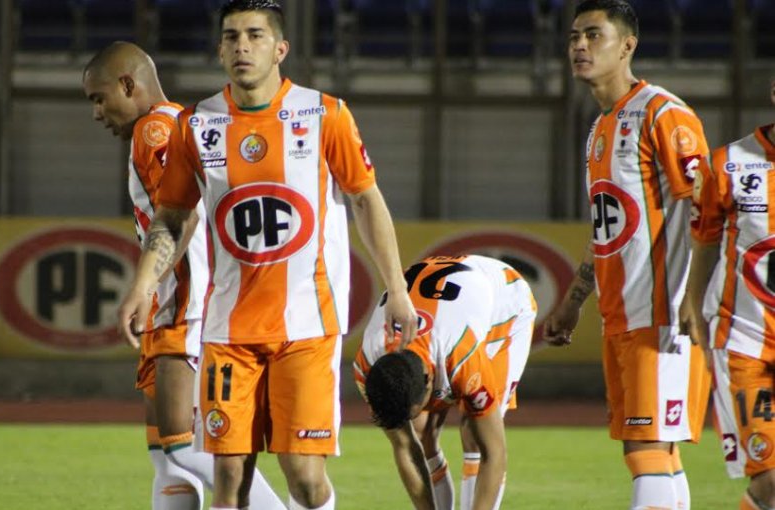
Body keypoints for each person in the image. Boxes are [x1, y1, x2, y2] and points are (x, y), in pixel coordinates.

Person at [116, 1, 418, 509]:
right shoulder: (196, 125)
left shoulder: (325, 115)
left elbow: (366, 199)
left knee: (303, 477)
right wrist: (142, 285)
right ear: (219, 50)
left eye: (255, 35)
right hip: (228, 329)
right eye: (231, 36)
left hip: (305, 325)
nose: (242, 46)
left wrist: (399, 293)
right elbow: (171, 216)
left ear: (280, 48)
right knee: (229, 481)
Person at [82, 41, 283, 510]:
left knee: (184, 446)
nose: (96, 113)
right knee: (166, 457)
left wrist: (145, 285)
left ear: (128, 85)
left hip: (184, 305)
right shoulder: (179, 122)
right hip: (177, 304)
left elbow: (182, 215)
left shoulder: (153, 130)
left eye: (98, 98)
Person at [543, 1, 712, 509]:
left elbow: (707, 204)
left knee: (646, 448)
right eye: (575, 36)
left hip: (662, 314)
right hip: (622, 313)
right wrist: (575, 298)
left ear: (628, 45)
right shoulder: (599, 129)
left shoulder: (663, 113)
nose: (579, 46)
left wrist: (693, 297)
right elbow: (608, 229)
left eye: (594, 35)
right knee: (656, 450)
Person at [354, 255, 535, 510]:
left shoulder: (462, 359)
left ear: (429, 384)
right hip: (450, 297)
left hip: (505, 305)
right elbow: (405, 446)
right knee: (418, 431)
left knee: (475, 433)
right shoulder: (367, 367)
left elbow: (494, 455)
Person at [683, 80, 775, 510]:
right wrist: (692, 304)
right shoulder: (728, 164)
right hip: (744, 342)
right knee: (771, 479)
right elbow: (704, 242)